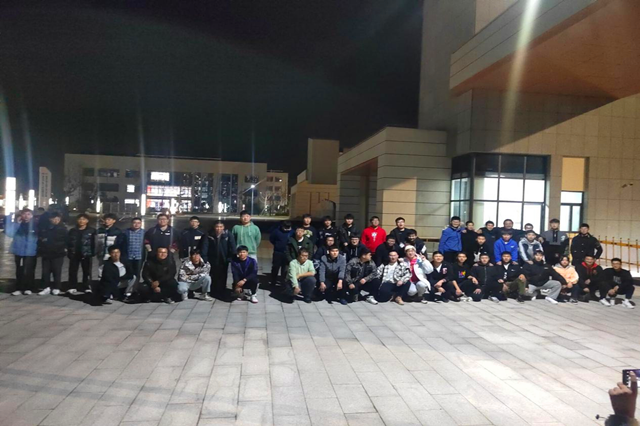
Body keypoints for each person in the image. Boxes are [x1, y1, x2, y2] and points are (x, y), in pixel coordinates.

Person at [6, 209, 38, 296]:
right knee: (19, 270)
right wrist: (17, 223)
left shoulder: (35, 225)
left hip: (31, 252)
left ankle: (29, 287)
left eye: (28, 214)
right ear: (21, 215)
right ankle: (19, 288)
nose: (26, 216)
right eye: (24, 214)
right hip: (19, 251)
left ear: (32, 215)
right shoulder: (18, 224)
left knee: (29, 271)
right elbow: (9, 233)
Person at [38, 212, 68, 296]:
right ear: (49, 219)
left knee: (56, 271)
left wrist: (64, 249)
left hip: (58, 253)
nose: (55, 220)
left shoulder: (63, 229)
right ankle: (46, 287)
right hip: (46, 253)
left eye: (57, 219)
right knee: (45, 271)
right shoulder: (46, 228)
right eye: (53, 218)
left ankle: (56, 287)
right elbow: (41, 239)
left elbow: (67, 241)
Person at [66, 213, 96, 294]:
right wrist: (69, 252)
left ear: (87, 221)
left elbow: (94, 242)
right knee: (73, 271)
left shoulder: (92, 230)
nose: (81, 221)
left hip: (86, 254)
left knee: (87, 271)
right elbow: (68, 242)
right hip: (74, 253)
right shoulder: (72, 231)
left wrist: (93, 252)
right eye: (80, 219)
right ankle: (72, 286)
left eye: (83, 219)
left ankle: (86, 286)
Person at [206, 221, 236, 296]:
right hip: (212, 258)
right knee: (213, 274)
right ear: (214, 227)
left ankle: (222, 289)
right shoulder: (209, 234)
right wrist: (205, 258)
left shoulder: (228, 234)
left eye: (220, 227)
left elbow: (232, 246)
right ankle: (213, 290)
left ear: (223, 227)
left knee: (223, 274)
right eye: (217, 227)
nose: (219, 229)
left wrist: (231, 257)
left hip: (224, 259)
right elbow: (205, 246)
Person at [121, 217, 146, 299]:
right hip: (128, 256)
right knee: (128, 274)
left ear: (141, 224)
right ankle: (127, 290)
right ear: (131, 223)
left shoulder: (144, 233)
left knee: (137, 274)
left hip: (139, 256)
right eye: (134, 223)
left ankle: (135, 289)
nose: (136, 224)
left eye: (138, 223)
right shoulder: (126, 232)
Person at [269, 220, 293, 287]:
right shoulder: (276, 231)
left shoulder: (292, 232)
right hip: (278, 252)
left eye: (288, 228)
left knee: (285, 268)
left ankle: (283, 282)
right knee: (275, 267)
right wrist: (277, 245)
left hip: (287, 253)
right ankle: (273, 281)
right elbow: (272, 239)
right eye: (285, 227)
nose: (286, 229)